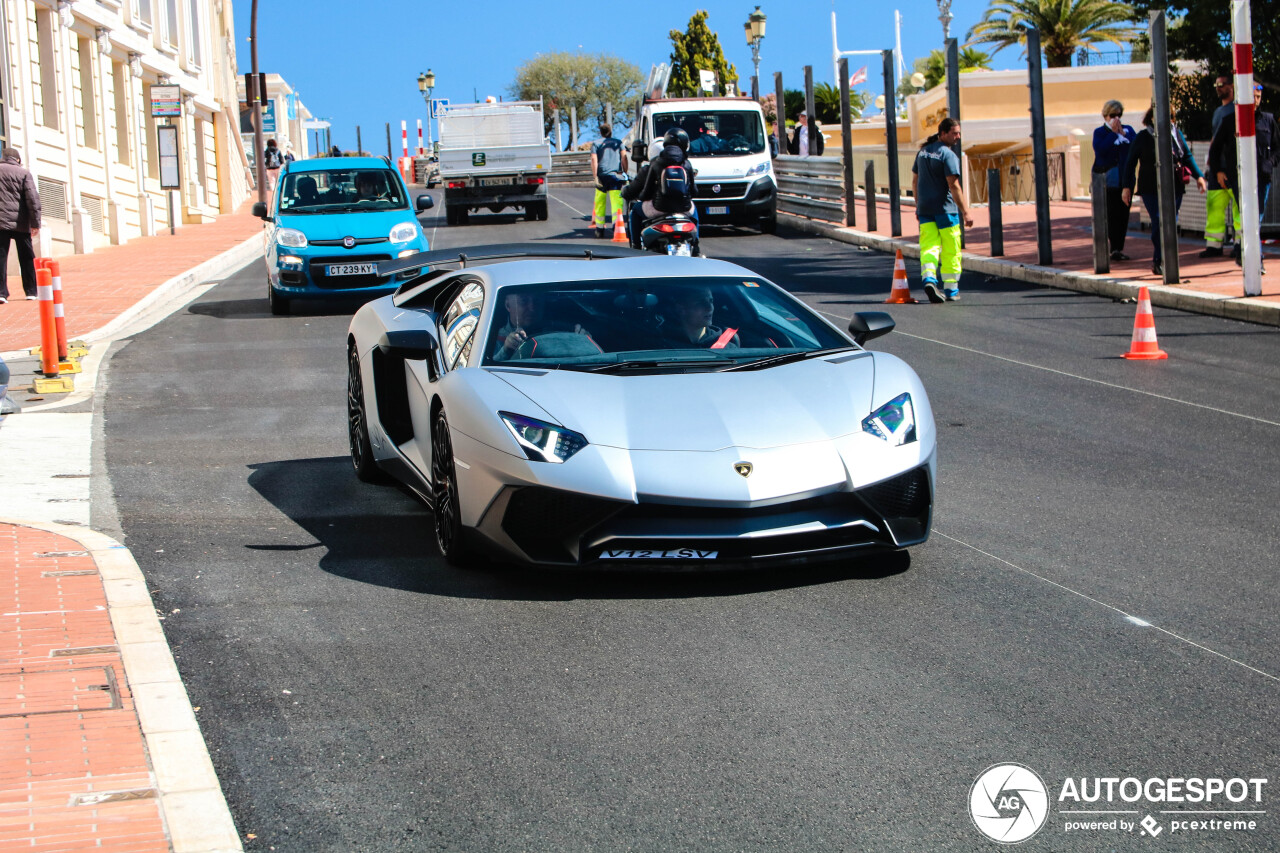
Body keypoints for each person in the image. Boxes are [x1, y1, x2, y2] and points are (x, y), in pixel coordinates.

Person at [1121, 105, 1207, 275]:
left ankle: (1164, 259)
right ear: (1151, 118)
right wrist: (1126, 187)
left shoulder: (1176, 135)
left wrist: (1199, 177)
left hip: (1174, 184)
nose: (1163, 120)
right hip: (1150, 187)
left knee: (1171, 222)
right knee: (1159, 221)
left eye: (1168, 116)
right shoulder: (1143, 137)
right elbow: (1130, 163)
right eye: (1158, 116)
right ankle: (1159, 259)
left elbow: (1187, 156)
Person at [1209, 83, 1279, 267]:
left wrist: (1269, 163)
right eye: (1252, 96)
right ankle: (1256, 259)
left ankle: (1245, 252)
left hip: (1262, 177)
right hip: (1238, 177)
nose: (1255, 101)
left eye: (1258, 97)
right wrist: (1218, 171)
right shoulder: (1230, 120)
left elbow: (1277, 148)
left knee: (1257, 216)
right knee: (1249, 216)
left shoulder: (1268, 120)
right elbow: (1215, 150)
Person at [911, 118, 973, 303]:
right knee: (951, 249)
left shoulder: (922, 152)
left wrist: (918, 205)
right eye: (954, 133)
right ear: (943, 133)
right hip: (946, 211)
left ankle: (929, 279)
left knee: (929, 246)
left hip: (926, 210)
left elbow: (915, 181)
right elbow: (954, 185)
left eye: (958, 133)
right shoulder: (947, 154)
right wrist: (966, 211)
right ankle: (951, 290)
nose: (958, 137)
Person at [622, 129, 698, 246]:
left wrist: (642, 197)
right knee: (694, 208)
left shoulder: (656, 163)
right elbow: (694, 191)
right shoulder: (686, 164)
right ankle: (696, 243)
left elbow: (646, 192)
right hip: (683, 208)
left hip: (659, 208)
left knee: (635, 211)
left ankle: (636, 246)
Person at [1201, 74, 1242, 257]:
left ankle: (1239, 244)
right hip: (1217, 166)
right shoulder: (1218, 112)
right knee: (1214, 205)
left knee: (1238, 208)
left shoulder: (1238, 110)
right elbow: (1214, 140)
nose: (1218, 87)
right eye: (1216, 84)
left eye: (1222, 84)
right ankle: (1214, 246)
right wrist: (1210, 164)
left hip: (1233, 166)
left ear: (1231, 86)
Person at [1092, 100, 1137, 261]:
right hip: (1108, 181)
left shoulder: (1129, 130)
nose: (1116, 118)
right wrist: (1112, 133)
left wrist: (1123, 135)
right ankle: (1112, 247)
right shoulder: (1100, 133)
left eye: (1119, 115)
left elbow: (1135, 148)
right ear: (1105, 116)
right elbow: (1101, 151)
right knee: (1111, 215)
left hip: (1125, 181)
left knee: (1123, 215)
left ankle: (1118, 248)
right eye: (1113, 115)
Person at [492, 292, 590, 361]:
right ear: (508, 305)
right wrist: (505, 351)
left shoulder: (559, 333)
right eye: (524, 301)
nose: (532, 308)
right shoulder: (491, 338)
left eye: (537, 301)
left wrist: (584, 342)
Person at [0, 147, 41, 305]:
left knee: (1, 258)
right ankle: (31, 291)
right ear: (17, 160)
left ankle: (1, 293)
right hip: (21, 222)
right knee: (26, 257)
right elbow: (33, 199)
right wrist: (35, 223)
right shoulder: (24, 173)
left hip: (1, 222)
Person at [665, 287, 739, 348]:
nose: (709, 308)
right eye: (701, 302)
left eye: (711, 301)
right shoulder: (662, 345)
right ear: (681, 309)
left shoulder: (728, 348)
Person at [590, 124, 629, 238]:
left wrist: (595, 176)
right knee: (616, 202)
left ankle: (600, 229)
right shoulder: (618, 143)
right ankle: (616, 225)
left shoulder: (596, 144)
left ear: (601, 133)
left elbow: (594, 159)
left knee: (600, 202)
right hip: (615, 176)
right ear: (611, 132)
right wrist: (625, 172)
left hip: (602, 176)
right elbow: (624, 157)